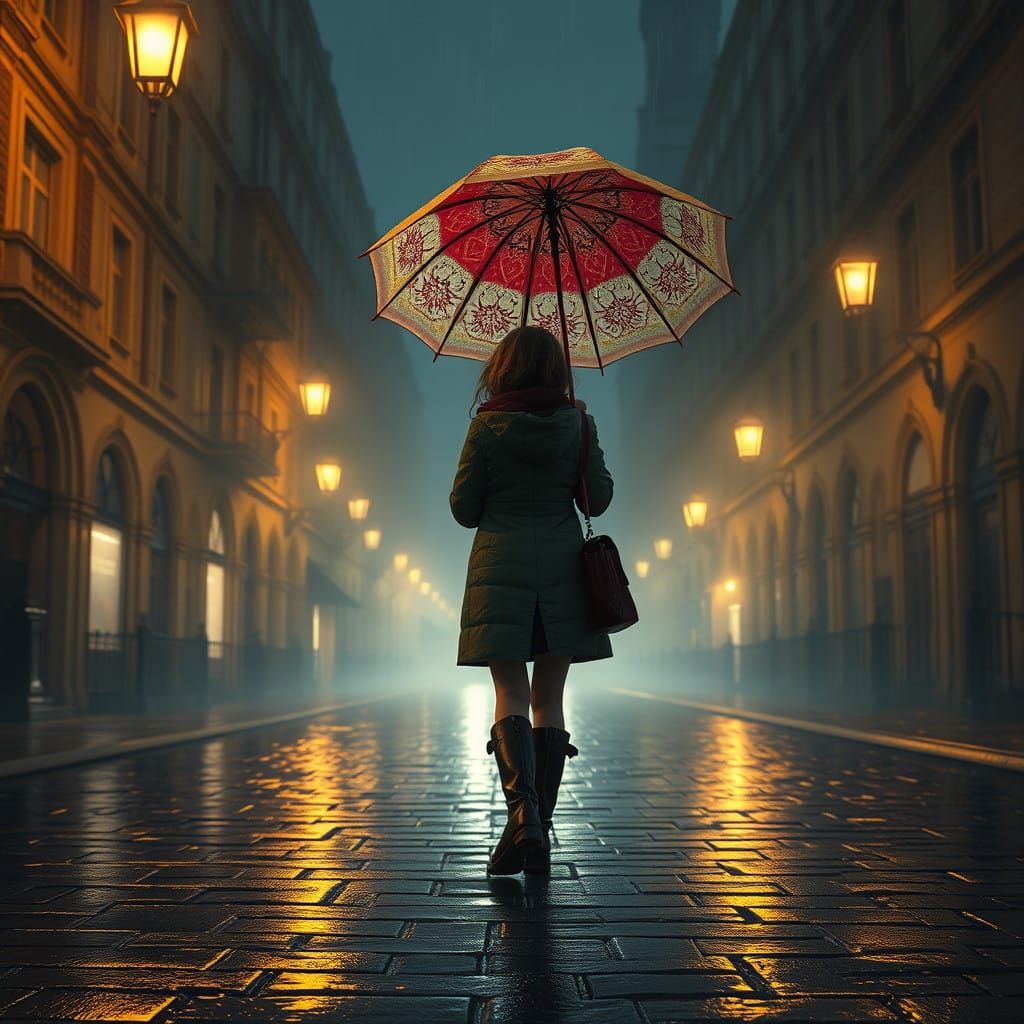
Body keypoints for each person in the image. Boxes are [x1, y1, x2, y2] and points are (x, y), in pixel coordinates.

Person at [450, 325, 614, 876]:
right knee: (549, 694)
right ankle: (537, 823)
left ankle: (523, 818)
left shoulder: (486, 428)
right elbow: (600, 498)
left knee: (509, 689)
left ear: (502, 371)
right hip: (564, 571)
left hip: (501, 568)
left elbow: (463, 509)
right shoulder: (577, 423)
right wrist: (583, 433)